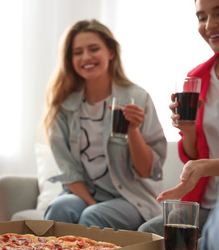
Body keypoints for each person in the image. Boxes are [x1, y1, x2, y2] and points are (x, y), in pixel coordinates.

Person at [42, 19, 167, 231]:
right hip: (84, 194)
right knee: (60, 209)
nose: (86, 57)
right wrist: (91, 202)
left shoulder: (137, 97)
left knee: (94, 217)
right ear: (70, 59)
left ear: (110, 52)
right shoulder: (64, 107)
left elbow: (146, 170)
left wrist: (133, 130)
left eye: (93, 49)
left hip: (130, 197)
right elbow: (68, 171)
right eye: (77, 52)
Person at [138, 0, 219, 250]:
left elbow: (202, 164)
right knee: (146, 237)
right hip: (206, 202)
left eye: (218, 14)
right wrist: (189, 129)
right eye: (201, 17)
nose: (209, 25)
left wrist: (207, 166)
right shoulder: (198, 77)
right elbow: (193, 155)